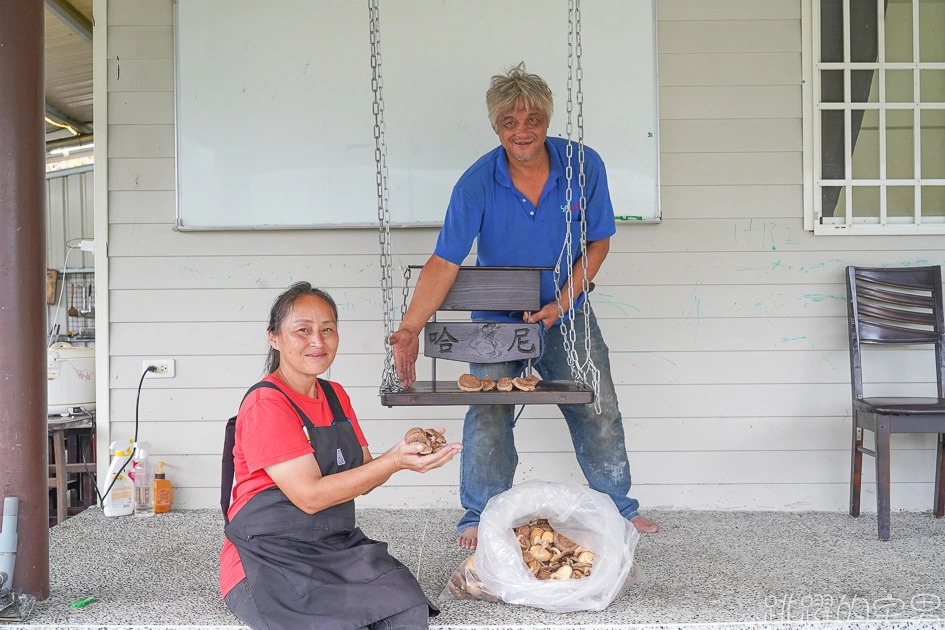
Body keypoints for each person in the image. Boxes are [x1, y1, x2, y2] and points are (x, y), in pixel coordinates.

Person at [388, 62, 659, 551]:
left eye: (533, 119)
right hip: (496, 320)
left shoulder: (583, 165)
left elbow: (598, 242)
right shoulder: (476, 183)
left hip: (567, 310)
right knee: (489, 412)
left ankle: (618, 509)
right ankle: (478, 516)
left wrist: (561, 302)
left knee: (598, 402)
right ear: (496, 127)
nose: (522, 131)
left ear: (547, 120)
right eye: (510, 122)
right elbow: (444, 261)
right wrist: (410, 327)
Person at [220, 282, 461, 630]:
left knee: (406, 608)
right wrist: (393, 460)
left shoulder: (334, 396)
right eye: (302, 330)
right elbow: (310, 496)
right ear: (274, 337)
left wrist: (405, 450)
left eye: (327, 329)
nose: (317, 341)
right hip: (268, 556)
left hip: (332, 545)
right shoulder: (266, 404)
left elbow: (363, 475)